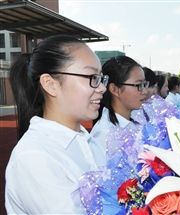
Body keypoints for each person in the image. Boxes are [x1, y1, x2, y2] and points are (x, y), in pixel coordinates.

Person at [5, 35, 108, 213]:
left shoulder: (86, 140)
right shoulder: (34, 157)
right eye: (92, 77)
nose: (102, 88)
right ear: (50, 84)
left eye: (101, 78)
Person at [90, 56, 148, 154]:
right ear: (114, 89)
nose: (145, 91)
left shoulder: (133, 121)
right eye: (139, 85)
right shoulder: (104, 135)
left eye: (144, 84)